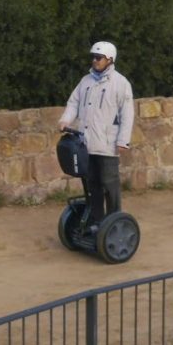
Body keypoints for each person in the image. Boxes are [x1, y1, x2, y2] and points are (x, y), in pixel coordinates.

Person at [58, 41, 135, 231]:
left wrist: (123, 141)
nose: (94, 60)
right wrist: (66, 119)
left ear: (109, 59)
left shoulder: (120, 83)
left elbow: (127, 114)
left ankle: (115, 223)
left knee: (110, 185)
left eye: (98, 58)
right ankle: (97, 222)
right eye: (93, 57)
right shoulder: (86, 81)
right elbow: (74, 102)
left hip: (108, 145)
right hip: (87, 144)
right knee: (93, 185)